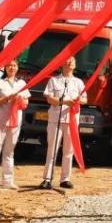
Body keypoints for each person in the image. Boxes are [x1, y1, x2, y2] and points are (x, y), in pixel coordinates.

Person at [40, 56, 87, 190]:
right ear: (62, 64)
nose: (70, 62)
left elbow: (84, 99)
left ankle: (65, 179)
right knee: (52, 149)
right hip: (56, 118)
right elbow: (49, 98)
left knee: (68, 150)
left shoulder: (78, 82)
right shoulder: (54, 80)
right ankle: (47, 178)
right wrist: (63, 102)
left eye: (73, 60)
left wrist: (76, 101)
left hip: (71, 120)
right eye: (68, 60)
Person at [0, 59, 31, 190]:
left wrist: (20, 100)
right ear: (5, 68)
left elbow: (26, 103)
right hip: (0, 118)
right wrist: (7, 98)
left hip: (15, 119)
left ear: (17, 68)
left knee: (9, 151)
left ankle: (8, 180)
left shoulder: (22, 83)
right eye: (9, 65)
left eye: (14, 65)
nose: (11, 68)